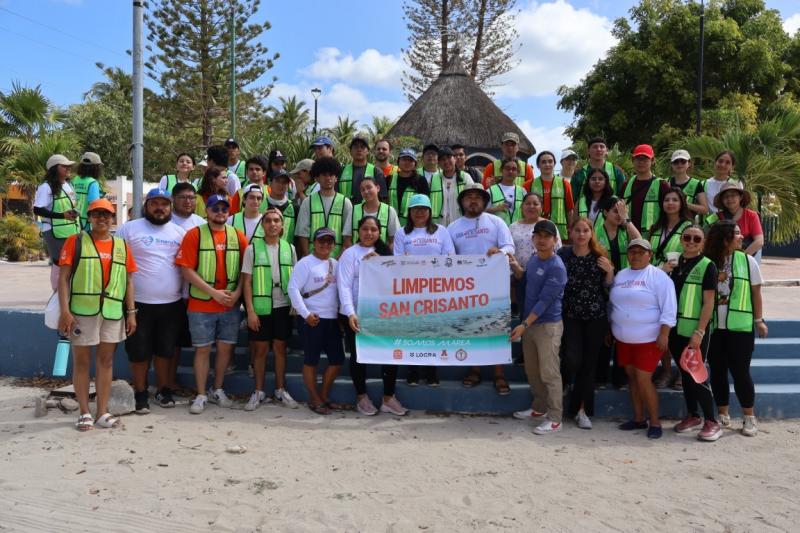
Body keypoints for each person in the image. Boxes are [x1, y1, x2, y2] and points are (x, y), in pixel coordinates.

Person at [57, 198, 137, 431]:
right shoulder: (76, 241)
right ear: (89, 217)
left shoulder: (121, 246)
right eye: (96, 214)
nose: (102, 218)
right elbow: (63, 278)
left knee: (106, 361)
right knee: (81, 362)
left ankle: (102, 412)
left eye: (106, 214)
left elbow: (129, 281)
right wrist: (65, 311)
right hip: (82, 312)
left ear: (113, 218)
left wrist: (131, 313)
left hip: (112, 312)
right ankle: (84, 411)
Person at [175, 194, 248, 415]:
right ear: (206, 211)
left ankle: (217, 389)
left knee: (225, 349)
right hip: (201, 304)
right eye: (215, 208)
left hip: (229, 305)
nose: (220, 212)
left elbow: (246, 269)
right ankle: (201, 394)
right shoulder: (194, 235)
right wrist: (213, 293)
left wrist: (236, 294)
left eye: (224, 209)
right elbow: (186, 269)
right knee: (202, 350)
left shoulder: (238, 236)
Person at [116, 188, 186, 412]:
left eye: (164, 203)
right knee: (138, 352)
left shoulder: (179, 232)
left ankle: (164, 390)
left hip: (171, 304)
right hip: (137, 304)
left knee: (165, 350)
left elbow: (184, 267)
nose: (160, 208)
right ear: (146, 206)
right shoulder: (128, 229)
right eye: (155, 203)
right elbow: (117, 265)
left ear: (170, 207)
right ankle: (140, 392)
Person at [448, 183, 515, 394]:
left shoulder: (496, 222)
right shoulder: (453, 227)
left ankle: (499, 373)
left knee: (496, 328)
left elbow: (509, 247)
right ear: (462, 202)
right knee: (471, 329)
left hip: (494, 286)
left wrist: (499, 252)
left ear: (485, 201)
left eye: (478, 196)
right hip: (465, 289)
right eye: (469, 197)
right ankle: (474, 370)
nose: (473, 200)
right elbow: (448, 258)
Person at [339, 216, 408, 416]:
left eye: (374, 230)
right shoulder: (350, 254)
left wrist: (381, 263)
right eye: (365, 229)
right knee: (358, 356)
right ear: (358, 231)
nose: (369, 233)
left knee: (390, 354)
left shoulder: (387, 254)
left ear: (380, 233)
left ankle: (388, 398)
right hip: (356, 314)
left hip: (382, 313)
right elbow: (343, 285)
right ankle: (361, 397)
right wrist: (350, 313)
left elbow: (397, 281)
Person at [704, 220, 767, 436]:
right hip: (714, 327)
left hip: (739, 327)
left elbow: (756, 293)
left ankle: (749, 416)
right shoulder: (707, 262)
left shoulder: (748, 261)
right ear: (725, 238)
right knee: (718, 371)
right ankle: (723, 414)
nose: (742, 237)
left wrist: (759, 320)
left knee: (741, 372)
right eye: (737, 234)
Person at [609, 238, 677, 439]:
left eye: (641, 251)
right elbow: (613, 304)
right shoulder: (621, 275)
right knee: (632, 379)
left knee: (643, 378)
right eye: (632, 251)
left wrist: (664, 334)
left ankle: (655, 422)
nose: (636, 255)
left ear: (650, 254)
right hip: (623, 339)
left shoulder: (659, 277)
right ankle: (638, 418)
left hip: (649, 339)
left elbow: (669, 308)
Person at [509, 220, 568, 435]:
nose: (542, 240)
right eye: (538, 236)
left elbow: (545, 301)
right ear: (533, 238)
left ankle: (555, 418)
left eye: (547, 236)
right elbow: (527, 282)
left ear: (555, 240)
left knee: (549, 372)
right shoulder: (534, 259)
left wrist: (524, 324)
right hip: (530, 324)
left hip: (547, 326)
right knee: (532, 371)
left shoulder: (557, 267)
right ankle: (539, 408)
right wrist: (517, 269)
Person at [662, 224, 721, 441]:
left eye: (697, 239)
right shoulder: (674, 264)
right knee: (685, 374)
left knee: (697, 376)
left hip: (693, 331)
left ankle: (712, 421)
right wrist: (663, 270)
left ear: (703, 243)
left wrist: (699, 332)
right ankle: (693, 415)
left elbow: (708, 303)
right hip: (675, 329)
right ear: (681, 239)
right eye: (687, 237)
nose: (691, 242)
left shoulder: (707, 266)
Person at [556, 218, 614, 429]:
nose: (581, 234)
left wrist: (609, 271)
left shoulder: (600, 256)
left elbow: (608, 287)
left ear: (591, 233)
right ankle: (563, 383)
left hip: (595, 316)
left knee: (588, 365)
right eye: (577, 230)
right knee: (572, 359)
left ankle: (581, 410)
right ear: (571, 232)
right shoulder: (563, 255)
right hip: (570, 315)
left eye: (585, 230)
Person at [240, 208, 299, 411]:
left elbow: (295, 280)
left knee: (281, 349)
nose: (273, 224)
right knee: (260, 350)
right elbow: (246, 282)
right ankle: (258, 391)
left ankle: (280, 389)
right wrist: (250, 311)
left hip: (283, 306)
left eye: (276, 221)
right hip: (260, 307)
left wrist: (295, 303)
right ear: (262, 224)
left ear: (282, 225)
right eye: (268, 221)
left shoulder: (289, 248)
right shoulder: (252, 249)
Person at [393, 194, 454, 386]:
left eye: (423, 209)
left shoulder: (442, 231)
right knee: (411, 331)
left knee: (432, 331)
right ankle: (412, 371)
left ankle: (431, 371)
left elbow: (450, 256)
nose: (419, 212)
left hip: (435, 290)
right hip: (410, 290)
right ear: (409, 212)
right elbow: (397, 260)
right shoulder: (402, 233)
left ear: (429, 212)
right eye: (415, 209)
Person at [288, 228, 345, 415]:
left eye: (329, 241)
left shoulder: (336, 264)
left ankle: (323, 395)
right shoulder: (305, 263)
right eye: (322, 241)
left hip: (332, 320)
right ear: (314, 242)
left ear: (334, 245)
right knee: (311, 361)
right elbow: (293, 288)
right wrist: (305, 314)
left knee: (337, 360)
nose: (325, 244)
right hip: (312, 319)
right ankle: (314, 398)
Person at [33, 154, 80, 291]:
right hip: (54, 232)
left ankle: (68, 293)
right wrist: (62, 216)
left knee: (71, 264)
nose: (68, 168)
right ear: (54, 168)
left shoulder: (67, 184)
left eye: (69, 166)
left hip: (72, 230)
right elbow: (37, 210)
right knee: (59, 263)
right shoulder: (46, 187)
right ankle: (57, 294)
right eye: (64, 166)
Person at [295, 156, 353, 258]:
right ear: (317, 178)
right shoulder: (308, 202)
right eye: (324, 175)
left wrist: (338, 261)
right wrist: (309, 257)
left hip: (337, 259)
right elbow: (303, 234)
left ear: (336, 178)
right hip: (313, 258)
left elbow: (347, 237)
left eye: (331, 175)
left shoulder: (345, 203)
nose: (328, 178)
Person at [622, 144, 670, 237]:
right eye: (638, 158)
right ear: (633, 161)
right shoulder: (626, 184)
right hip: (629, 237)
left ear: (652, 161)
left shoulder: (662, 185)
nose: (641, 162)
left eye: (645, 159)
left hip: (653, 238)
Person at [509, 193, 563, 275]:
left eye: (535, 204)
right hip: (515, 273)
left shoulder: (549, 225)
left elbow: (558, 250)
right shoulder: (513, 226)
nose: (531, 207)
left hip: (542, 274)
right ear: (522, 207)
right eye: (527, 203)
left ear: (541, 208)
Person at [706, 182, 764, 258]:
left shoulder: (752, 215)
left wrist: (741, 258)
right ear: (722, 200)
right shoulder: (715, 217)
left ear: (740, 197)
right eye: (725, 197)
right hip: (722, 259)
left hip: (747, 257)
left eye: (733, 195)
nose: (729, 199)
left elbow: (759, 241)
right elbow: (707, 239)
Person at [532, 151, 574, 237]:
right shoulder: (529, 184)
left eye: (550, 161)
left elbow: (569, 209)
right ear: (538, 165)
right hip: (536, 229)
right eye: (543, 162)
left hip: (559, 231)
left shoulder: (564, 183)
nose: (547, 164)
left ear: (554, 164)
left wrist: (572, 229)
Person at [649, 188, 694, 267]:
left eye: (675, 200)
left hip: (677, 274)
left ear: (682, 203)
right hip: (655, 275)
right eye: (666, 200)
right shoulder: (655, 227)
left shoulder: (690, 228)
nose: (670, 203)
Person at [595, 196, 642, 273]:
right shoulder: (595, 232)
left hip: (625, 278)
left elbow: (639, 241)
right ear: (605, 212)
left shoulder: (626, 231)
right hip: (603, 278)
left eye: (621, 212)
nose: (619, 215)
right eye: (616, 211)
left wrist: (626, 217)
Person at [338, 134, 388, 204]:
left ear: (368, 151)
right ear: (350, 151)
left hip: (369, 213)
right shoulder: (341, 171)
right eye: (356, 147)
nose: (359, 149)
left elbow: (383, 198)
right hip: (346, 213)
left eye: (362, 147)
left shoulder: (376, 171)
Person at [351, 176, 399, 249]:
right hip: (357, 257)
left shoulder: (389, 211)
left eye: (369, 187)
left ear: (378, 188)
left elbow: (393, 240)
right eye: (362, 190)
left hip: (380, 257)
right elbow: (347, 239)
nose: (366, 191)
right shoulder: (353, 210)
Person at [388, 148, 431, 226]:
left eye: (410, 160)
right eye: (404, 159)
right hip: (391, 223)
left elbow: (425, 204)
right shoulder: (389, 179)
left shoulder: (421, 180)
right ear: (398, 161)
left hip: (412, 225)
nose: (407, 162)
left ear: (415, 164)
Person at [437, 146, 474, 227]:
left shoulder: (465, 177)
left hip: (462, 225)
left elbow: (473, 198)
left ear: (454, 159)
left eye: (448, 157)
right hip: (439, 227)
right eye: (442, 159)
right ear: (438, 163)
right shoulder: (434, 179)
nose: (446, 161)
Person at [487, 157, 527, 226]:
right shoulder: (490, 191)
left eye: (514, 169)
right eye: (507, 168)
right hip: (497, 232)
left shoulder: (522, 191)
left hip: (517, 232)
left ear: (518, 173)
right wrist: (495, 209)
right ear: (501, 170)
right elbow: (481, 212)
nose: (510, 171)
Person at [668, 150, 708, 218]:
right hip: (668, 222)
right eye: (676, 162)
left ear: (689, 163)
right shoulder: (666, 183)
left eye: (683, 161)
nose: (679, 164)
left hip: (687, 224)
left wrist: (685, 205)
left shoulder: (696, 184)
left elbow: (705, 210)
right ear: (672, 165)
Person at [71, 152, 104, 231]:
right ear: (95, 168)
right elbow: (94, 205)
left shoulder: (74, 180)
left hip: (73, 220)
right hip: (86, 223)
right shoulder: (92, 183)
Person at [266, 169, 297, 244]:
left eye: (284, 182)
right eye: (277, 181)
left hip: (286, 253)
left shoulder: (295, 208)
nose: (281, 185)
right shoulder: (260, 204)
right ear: (270, 183)